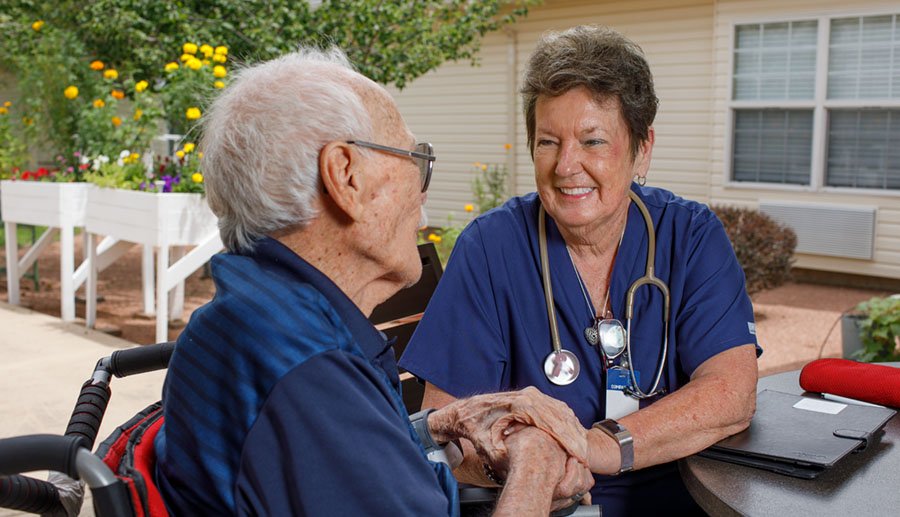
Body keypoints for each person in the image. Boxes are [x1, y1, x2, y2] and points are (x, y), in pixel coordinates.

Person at [153, 47, 595, 516]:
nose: (423, 191)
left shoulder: (254, 317)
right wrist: (536, 463)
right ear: (345, 177)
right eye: (414, 159)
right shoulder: (310, 373)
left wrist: (438, 424)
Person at [400, 25, 761, 515]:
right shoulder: (491, 247)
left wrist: (595, 445)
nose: (566, 165)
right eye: (548, 141)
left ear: (642, 148)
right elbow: (450, 437)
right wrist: (534, 462)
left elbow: (731, 392)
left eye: (592, 141)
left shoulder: (690, 235)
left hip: (686, 500)